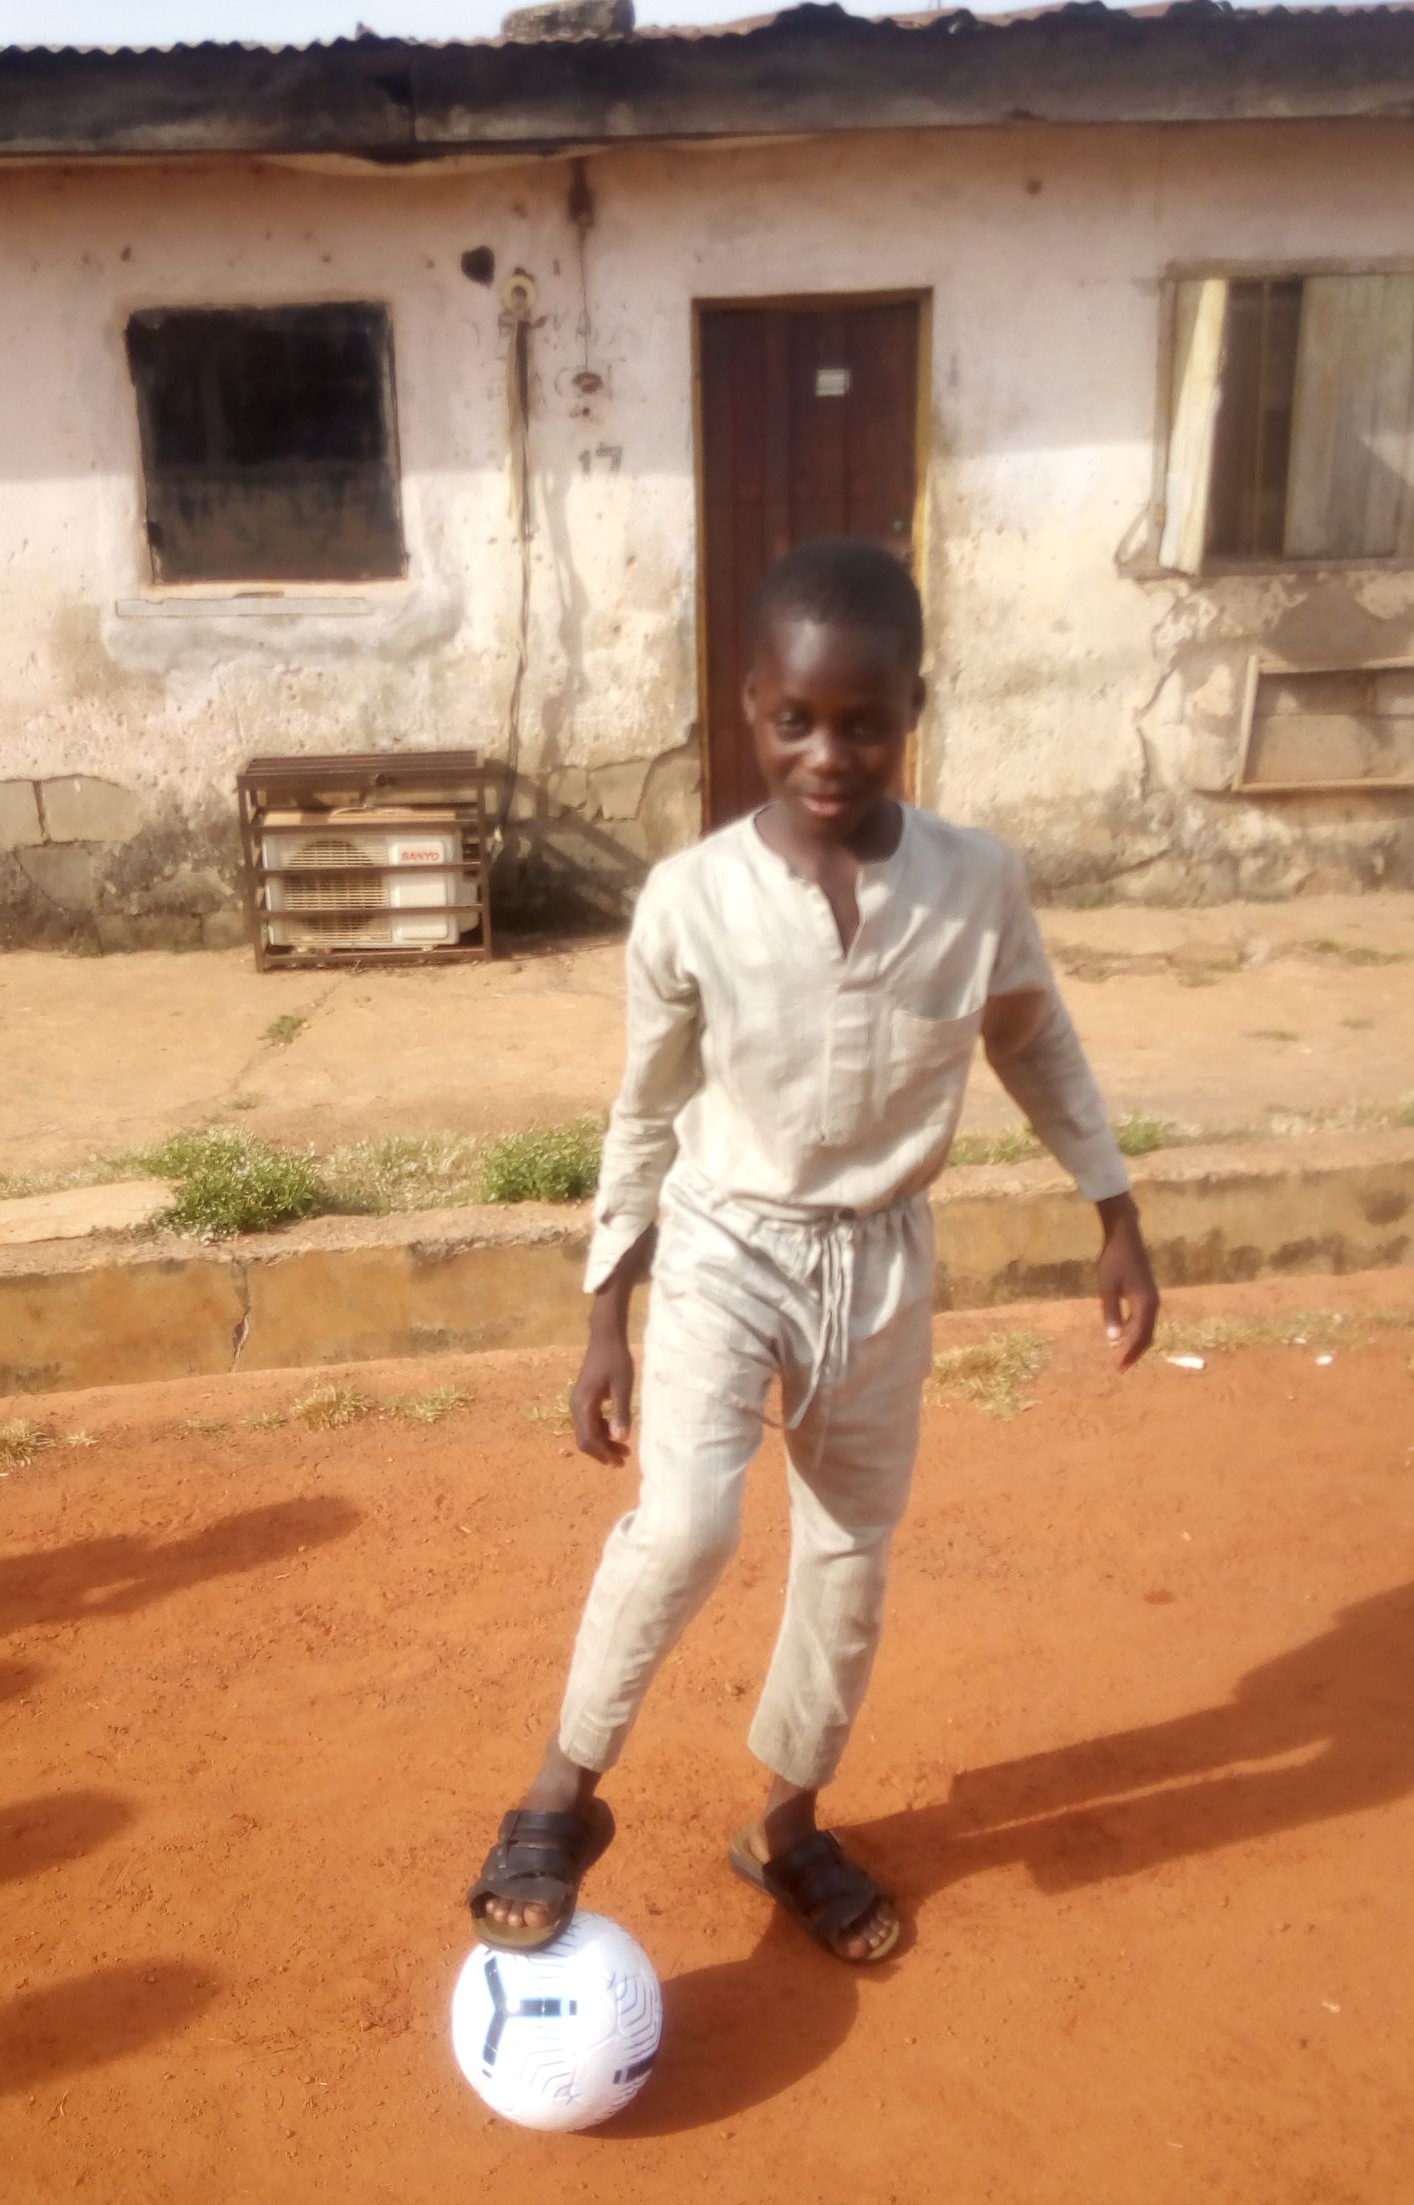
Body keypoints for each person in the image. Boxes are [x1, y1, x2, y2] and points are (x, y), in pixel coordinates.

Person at [467, 537, 1158, 1964]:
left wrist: (1114, 1209)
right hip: (729, 1244)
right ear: (749, 708)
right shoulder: (690, 900)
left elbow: (1033, 1041)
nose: (828, 756)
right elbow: (647, 1108)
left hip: (885, 1263)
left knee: (850, 1558)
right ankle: (559, 1795)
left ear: (915, 709)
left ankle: (786, 1826)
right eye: (795, 720)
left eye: (864, 723)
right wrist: (605, 1315)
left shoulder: (977, 883)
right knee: (687, 1525)